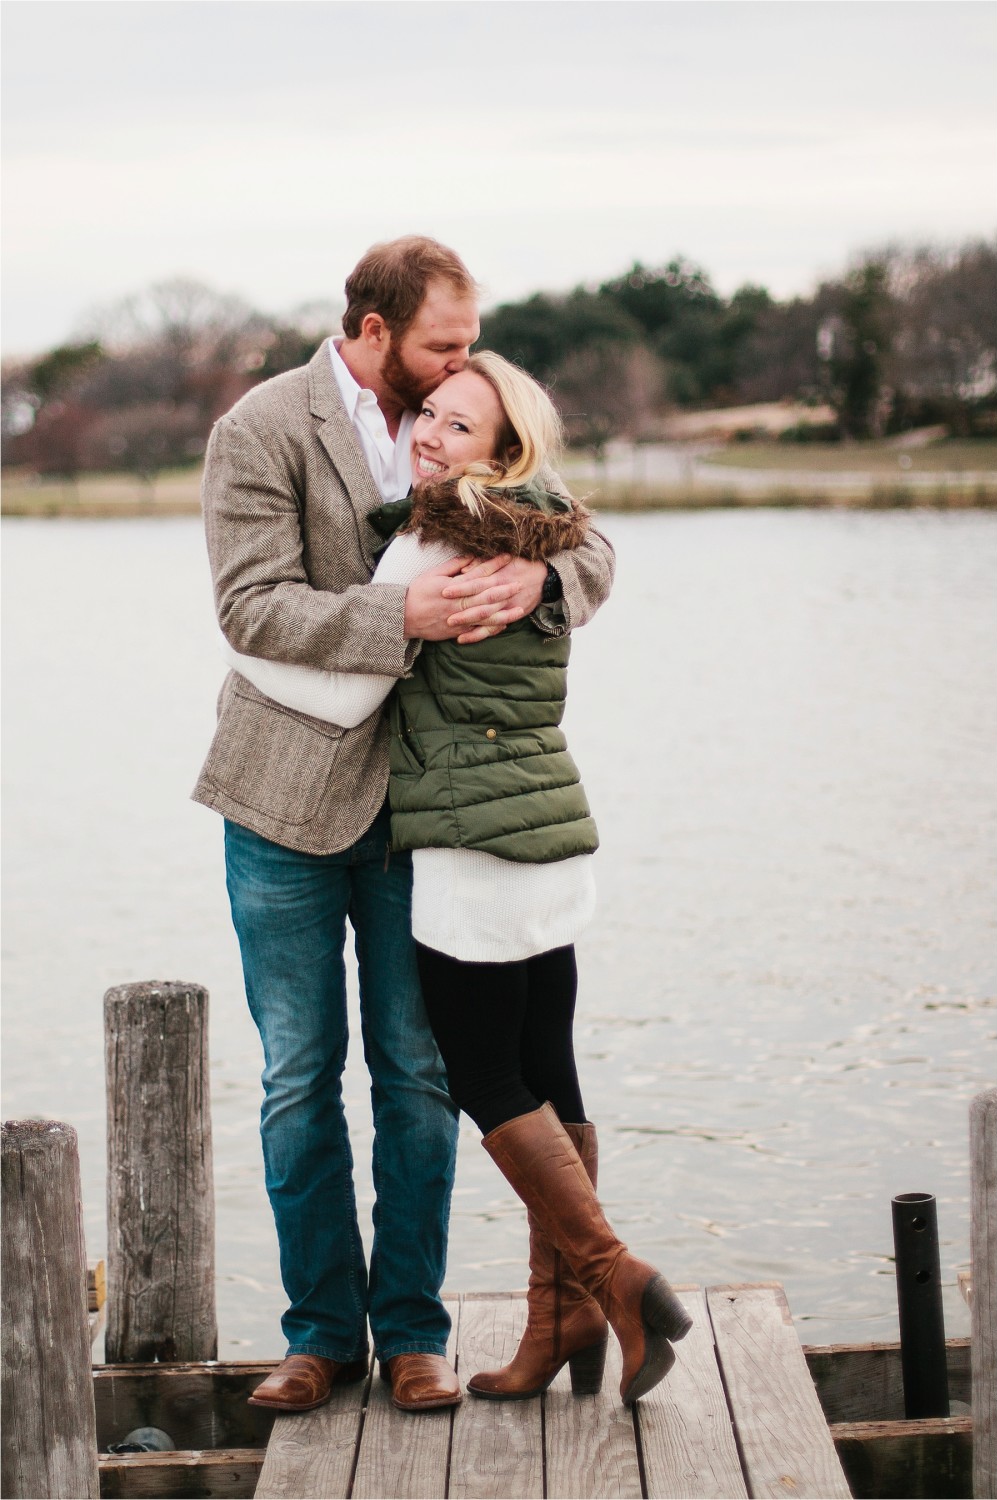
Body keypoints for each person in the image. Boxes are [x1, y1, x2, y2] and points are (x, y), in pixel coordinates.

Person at [193, 237, 616, 1415]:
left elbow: (588, 544)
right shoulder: (260, 428)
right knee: (295, 1077)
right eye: (443, 342)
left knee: (420, 1073)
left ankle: (414, 1332)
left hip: (424, 813)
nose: (461, 363)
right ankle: (320, 1336)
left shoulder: (470, 418)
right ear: (372, 332)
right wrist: (400, 615)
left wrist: (544, 585)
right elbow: (249, 605)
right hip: (282, 793)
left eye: (469, 343)